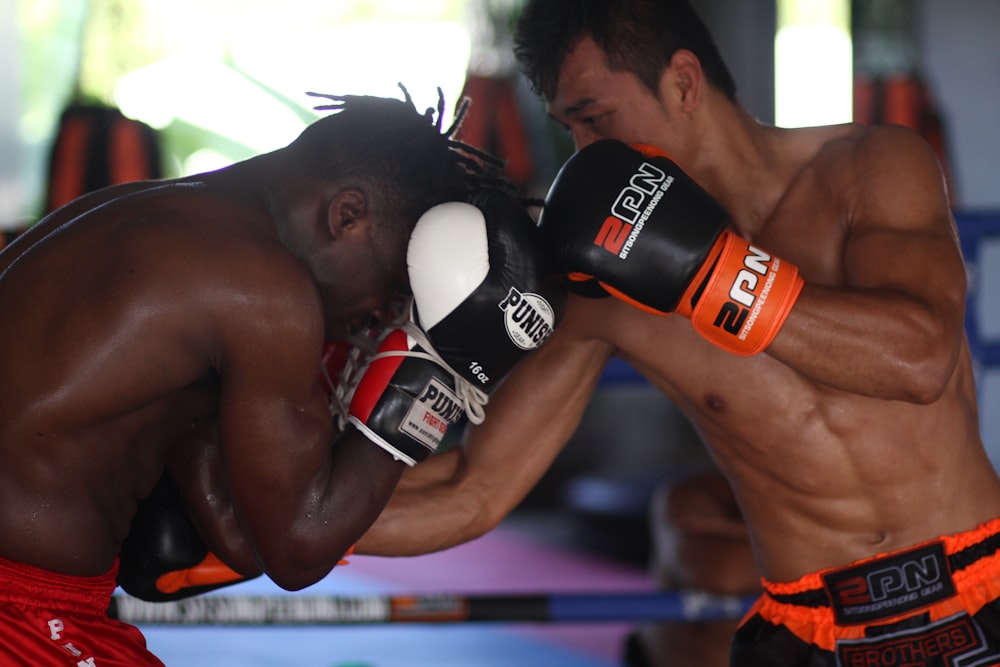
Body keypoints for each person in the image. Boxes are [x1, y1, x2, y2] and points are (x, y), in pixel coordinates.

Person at [355, 2, 1000, 665]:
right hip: (808, 631)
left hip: (981, 591)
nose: (584, 155)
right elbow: (473, 488)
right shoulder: (603, 286)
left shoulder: (872, 169)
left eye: (597, 118)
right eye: (570, 127)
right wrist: (275, 524)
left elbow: (919, 357)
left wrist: (713, 273)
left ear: (684, 84)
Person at [0, 87, 564, 665]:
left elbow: (244, 536)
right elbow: (298, 551)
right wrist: (436, 379)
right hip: (17, 610)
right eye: (393, 287)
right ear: (347, 215)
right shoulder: (266, 292)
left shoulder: (146, 215)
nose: (378, 317)